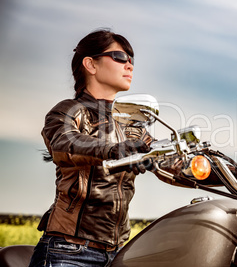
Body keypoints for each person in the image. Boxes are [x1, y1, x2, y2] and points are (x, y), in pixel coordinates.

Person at [29, 29, 153, 267]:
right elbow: (63, 143)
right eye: (119, 56)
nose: (129, 64)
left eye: (132, 59)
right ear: (91, 64)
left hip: (118, 254)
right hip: (69, 252)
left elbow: (170, 162)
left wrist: (236, 173)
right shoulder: (69, 110)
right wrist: (116, 150)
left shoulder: (130, 124)